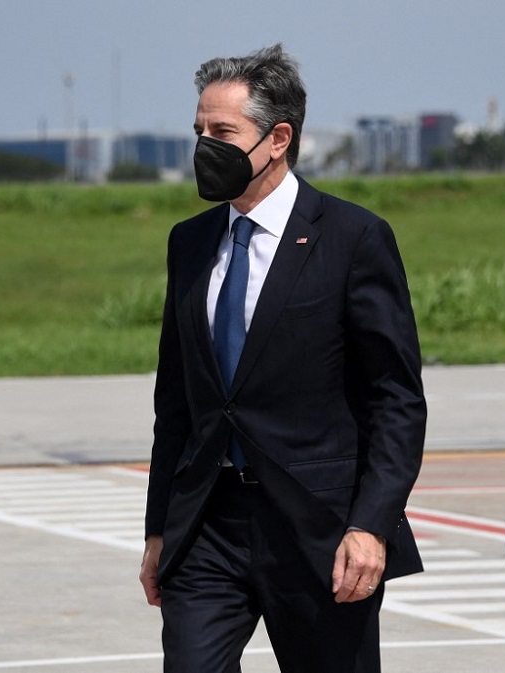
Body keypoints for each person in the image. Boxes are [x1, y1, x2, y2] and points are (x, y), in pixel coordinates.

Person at [138, 44, 426, 672]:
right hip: (208, 525)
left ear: (278, 139)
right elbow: (176, 400)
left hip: (317, 529)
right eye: (198, 132)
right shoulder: (190, 243)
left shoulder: (352, 237)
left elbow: (395, 398)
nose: (203, 147)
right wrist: (159, 526)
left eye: (222, 132)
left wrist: (372, 524)